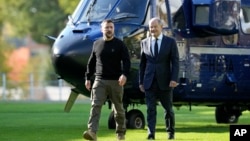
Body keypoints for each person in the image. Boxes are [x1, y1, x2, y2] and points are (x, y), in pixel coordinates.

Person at [83, 19, 131, 141]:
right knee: (95, 106)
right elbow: (91, 62)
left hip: (116, 81)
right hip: (100, 81)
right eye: (106, 27)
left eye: (111, 27)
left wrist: (124, 75)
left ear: (113, 29)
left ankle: (120, 134)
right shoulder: (96, 44)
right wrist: (88, 78)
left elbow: (126, 61)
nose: (109, 29)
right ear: (102, 29)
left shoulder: (120, 44)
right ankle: (92, 132)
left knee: (119, 110)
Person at [139, 17, 179, 140]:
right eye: (151, 27)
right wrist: (141, 82)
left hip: (165, 82)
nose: (152, 29)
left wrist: (174, 79)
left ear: (161, 27)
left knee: (168, 109)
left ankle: (170, 133)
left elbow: (175, 62)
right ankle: (151, 134)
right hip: (149, 82)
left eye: (155, 26)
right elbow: (142, 64)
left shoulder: (170, 42)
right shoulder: (144, 42)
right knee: (150, 109)